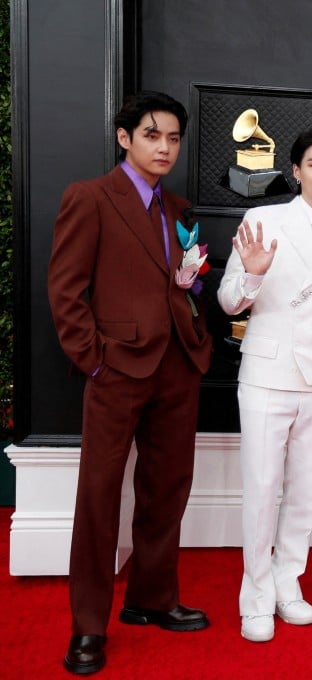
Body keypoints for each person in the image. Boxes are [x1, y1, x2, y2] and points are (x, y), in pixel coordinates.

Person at [48, 91, 213, 674]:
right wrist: (95, 361)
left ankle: (151, 598)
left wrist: (193, 296)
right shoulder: (90, 198)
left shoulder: (180, 209)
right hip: (116, 369)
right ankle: (88, 626)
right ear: (125, 138)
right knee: (98, 497)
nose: (164, 147)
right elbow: (66, 291)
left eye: (172, 138)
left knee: (167, 491)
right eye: (151, 135)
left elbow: (182, 285)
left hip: (178, 368)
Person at [217, 127, 312, 642]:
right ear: (296, 170)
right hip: (267, 375)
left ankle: (287, 583)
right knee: (261, 489)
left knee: (304, 492)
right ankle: (255, 596)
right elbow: (229, 302)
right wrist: (253, 275)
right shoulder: (261, 219)